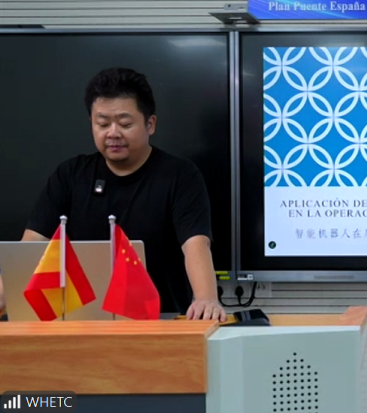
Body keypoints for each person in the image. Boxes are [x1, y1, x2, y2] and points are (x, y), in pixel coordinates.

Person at [0, 67, 226, 322]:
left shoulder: (180, 176)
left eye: (125, 123)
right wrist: (5, 294)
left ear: (150, 124)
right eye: (103, 123)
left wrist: (206, 298)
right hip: (78, 322)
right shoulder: (70, 175)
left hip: (160, 320)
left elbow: (195, 244)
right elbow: (33, 243)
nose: (113, 133)